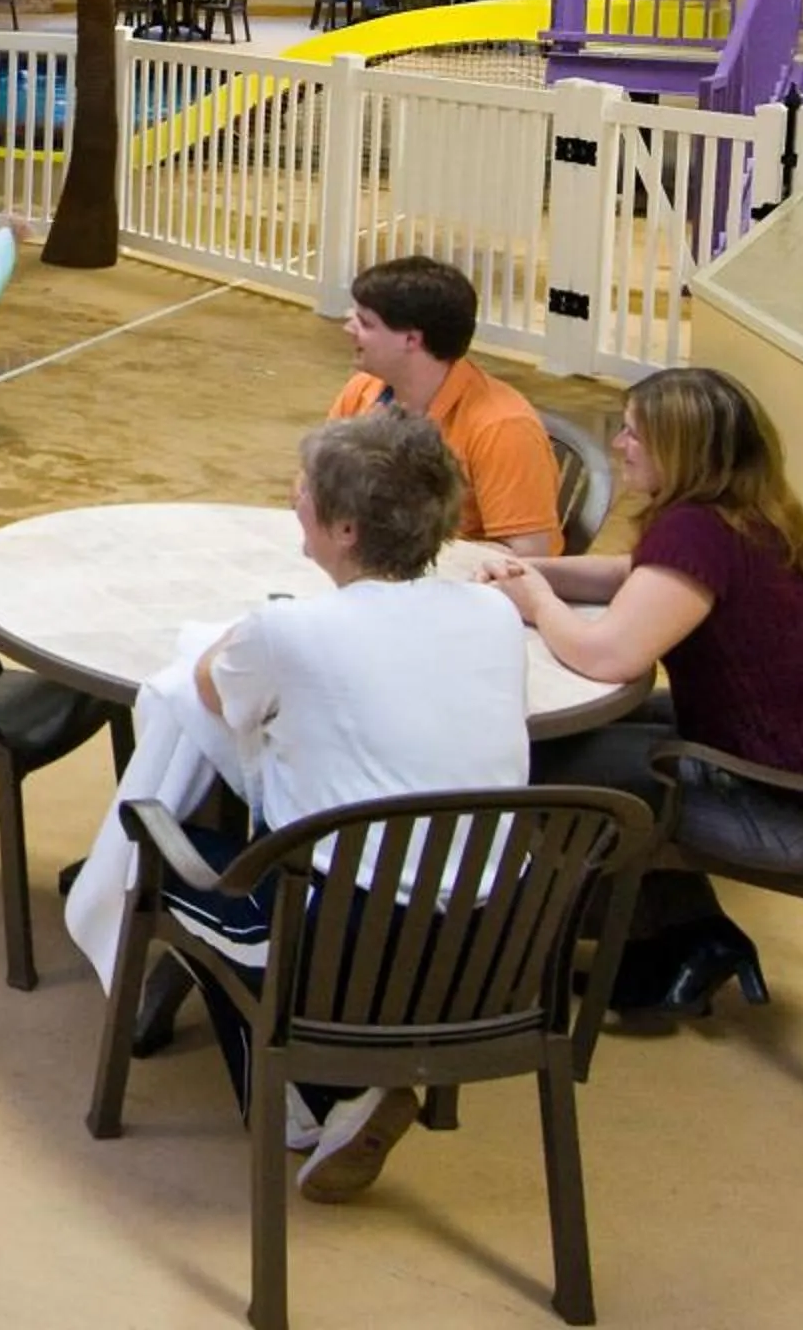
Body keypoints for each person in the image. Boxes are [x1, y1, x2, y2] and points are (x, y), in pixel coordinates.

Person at [168, 413, 531, 1202]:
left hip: (342, 948)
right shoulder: (496, 616)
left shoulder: (290, 629)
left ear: (342, 526)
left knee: (166, 856)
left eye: (307, 494)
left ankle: (302, 1103)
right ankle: (349, 1091)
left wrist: (247, 632)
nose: (295, 501)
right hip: (494, 948)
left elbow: (206, 688)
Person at [483, 367, 803, 1024]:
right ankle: (683, 933)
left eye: (632, 435)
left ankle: (670, 934)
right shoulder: (750, 517)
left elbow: (610, 654)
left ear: (681, 452)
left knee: (544, 766)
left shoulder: (695, 532)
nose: (619, 445)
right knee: (598, 738)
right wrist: (531, 569)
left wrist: (534, 598)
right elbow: (634, 576)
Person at [325, 255, 559, 556]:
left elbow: (528, 553)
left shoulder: (503, 427)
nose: (348, 328)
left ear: (411, 339)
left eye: (366, 323)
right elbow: (312, 485)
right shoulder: (364, 389)